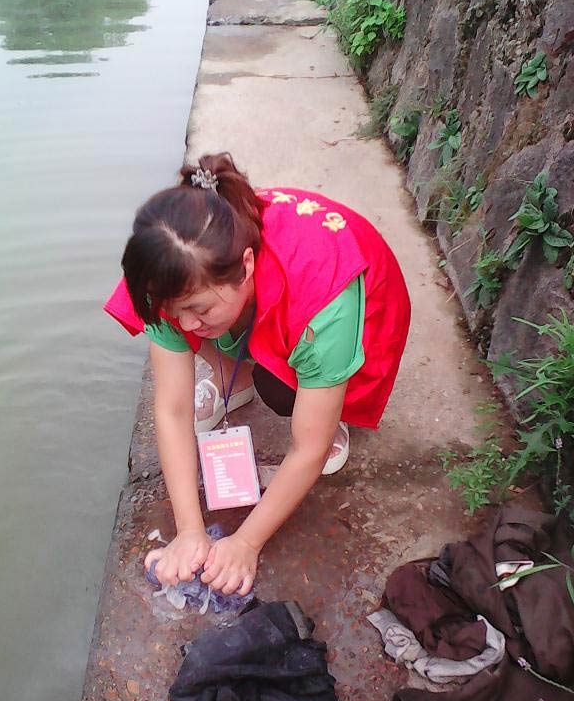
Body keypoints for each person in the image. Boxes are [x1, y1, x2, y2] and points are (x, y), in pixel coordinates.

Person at [105, 152, 410, 597]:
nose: (184, 324)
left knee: (283, 393)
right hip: (258, 296)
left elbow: (308, 449)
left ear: (246, 266)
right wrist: (190, 531)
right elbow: (172, 410)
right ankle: (237, 377)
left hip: (360, 310)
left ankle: (329, 405)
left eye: (198, 308)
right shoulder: (164, 279)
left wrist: (246, 542)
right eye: (174, 312)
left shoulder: (321, 292)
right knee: (206, 329)